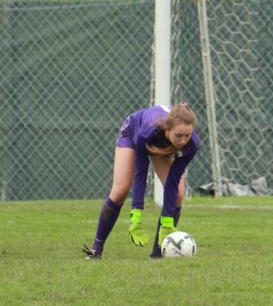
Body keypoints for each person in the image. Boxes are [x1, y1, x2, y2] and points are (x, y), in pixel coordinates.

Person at [83, 103, 200, 259]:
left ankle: (158, 254)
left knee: (178, 193)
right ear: (167, 129)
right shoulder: (147, 133)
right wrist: (136, 214)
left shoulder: (192, 144)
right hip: (133, 133)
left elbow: (173, 179)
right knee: (120, 190)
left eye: (187, 135)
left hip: (162, 145)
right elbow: (141, 172)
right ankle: (96, 250)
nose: (183, 140)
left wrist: (167, 221)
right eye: (178, 135)